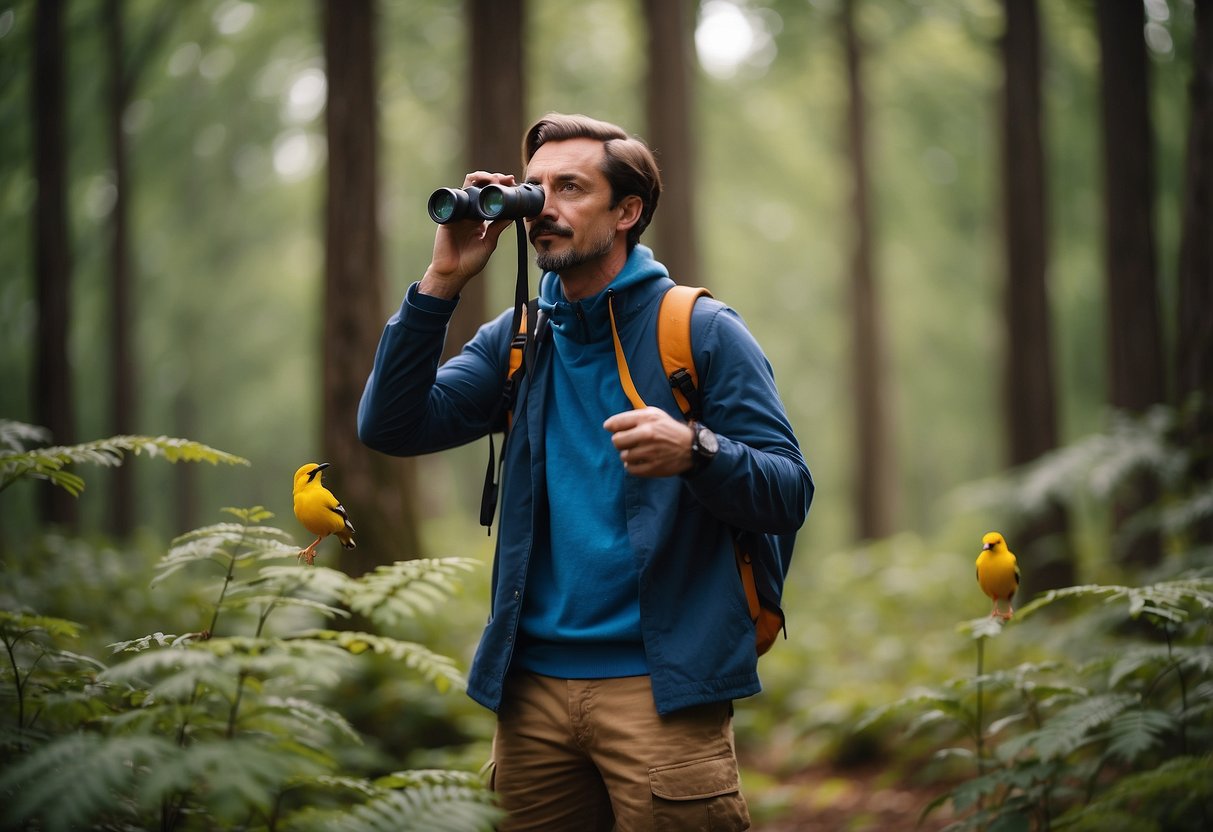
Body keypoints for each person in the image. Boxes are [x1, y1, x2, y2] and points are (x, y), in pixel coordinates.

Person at [358, 113, 812, 831]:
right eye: (533, 188)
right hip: (530, 692)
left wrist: (696, 449)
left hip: (659, 690)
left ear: (627, 210)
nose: (544, 207)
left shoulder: (698, 330)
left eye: (570, 187)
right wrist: (443, 278)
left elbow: (788, 491)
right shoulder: (518, 336)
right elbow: (389, 425)